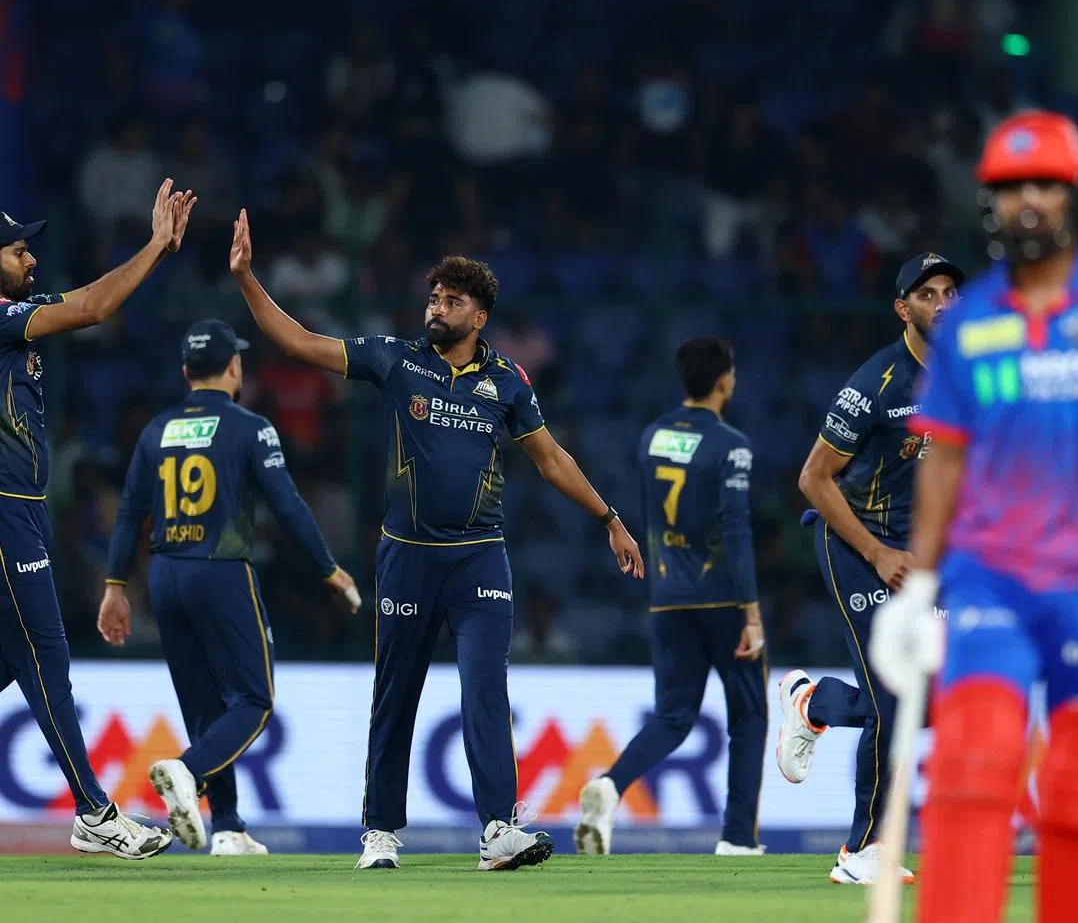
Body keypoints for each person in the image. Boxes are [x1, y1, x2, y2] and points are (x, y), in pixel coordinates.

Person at [228, 209, 644, 871]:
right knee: (398, 690)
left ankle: (498, 831)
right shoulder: (397, 361)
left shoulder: (507, 380)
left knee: (486, 688)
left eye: (452, 300)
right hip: (409, 557)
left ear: (479, 317)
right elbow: (302, 342)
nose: (437, 307)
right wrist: (248, 279)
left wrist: (609, 518)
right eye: (434, 297)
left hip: (481, 555)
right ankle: (381, 834)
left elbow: (551, 459)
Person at [870, 110, 1078, 923]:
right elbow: (943, 462)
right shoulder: (972, 319)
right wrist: (917, 586)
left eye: (1044, 186)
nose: (1026, 202)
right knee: (975, 761)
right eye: (1009, 188)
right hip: (989, 577)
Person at [97, 319, 360, 854]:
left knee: (204, 707)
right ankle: (188, 772)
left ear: (185, 372)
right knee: (254, 700)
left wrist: (115, 585)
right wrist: (328, 567)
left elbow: (128, 513)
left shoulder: (157, 429)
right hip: (220, 569)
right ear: (235, 367)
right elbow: (287, 504)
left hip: (165, 575)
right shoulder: (249, 427)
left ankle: (229, 826)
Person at [0, 179, 193, 858]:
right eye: (17, 249)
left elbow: (95, 302)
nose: (30, 261)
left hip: (20, 512)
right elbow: (89, 309)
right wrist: (154, 244)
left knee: (13, 661)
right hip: (4, 515)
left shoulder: (16, 312)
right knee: (45, 656)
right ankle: (94, 812)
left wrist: (154, 252)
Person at [781, 252, 962, 884]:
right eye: (927, 294)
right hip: (856, 544)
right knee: (891, 697)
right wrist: (878, 552)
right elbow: (812, 478)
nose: (942, 304)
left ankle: (817, 703)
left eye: (949, 293)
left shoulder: (966, 378)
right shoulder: (875, 383)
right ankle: (861, 852)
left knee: (934, 703)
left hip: (920, 558)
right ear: (902, 308)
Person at [575, 337, 767, 856]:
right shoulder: (732, 445)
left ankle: (611, 785)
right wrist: (752, 613)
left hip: (667, 599)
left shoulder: (652, 437)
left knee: (673, 717)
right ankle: (736, 838)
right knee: (748, 715)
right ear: (725, 380)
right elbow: (736, 531)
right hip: (723, 599)